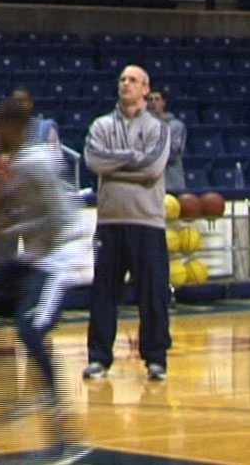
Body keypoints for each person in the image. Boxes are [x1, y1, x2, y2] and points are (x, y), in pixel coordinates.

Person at [0, 97, 90, 458]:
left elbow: (58, 219)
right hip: (37, 255)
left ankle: (61, 426)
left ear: (12, 129)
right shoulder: (15, 165)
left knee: (29, 330)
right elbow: (3, 215)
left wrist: (6, 223)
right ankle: (3, 380)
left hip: (62, 255)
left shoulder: (37, 162)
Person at [82, 65, 171, 381]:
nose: (126, 84)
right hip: (109, 221)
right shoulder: (101, 125)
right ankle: (99, 358)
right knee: (104, 293)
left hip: (147, 222)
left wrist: (113, 168)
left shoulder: (159, 128)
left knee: (153, 294)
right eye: (122, 79)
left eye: (133, 80)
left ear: (146, 89)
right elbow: (94, 160)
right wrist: (132, 158)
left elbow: (152, 168)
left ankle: (156, 359)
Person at [0, 86, 61, 267]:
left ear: (30, 104)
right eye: (15, 101)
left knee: (38, 263)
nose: (18, 105)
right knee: (4, 264)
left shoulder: (44, 130)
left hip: (35, 206)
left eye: (22, 101)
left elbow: (55, 168)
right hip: (5, 206)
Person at [147, 88, 186, 191]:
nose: (153, 102)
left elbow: (171, 155)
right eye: (150, 99)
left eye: (157, 99)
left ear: (163, 102)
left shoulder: (176, 126)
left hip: (171, 182)